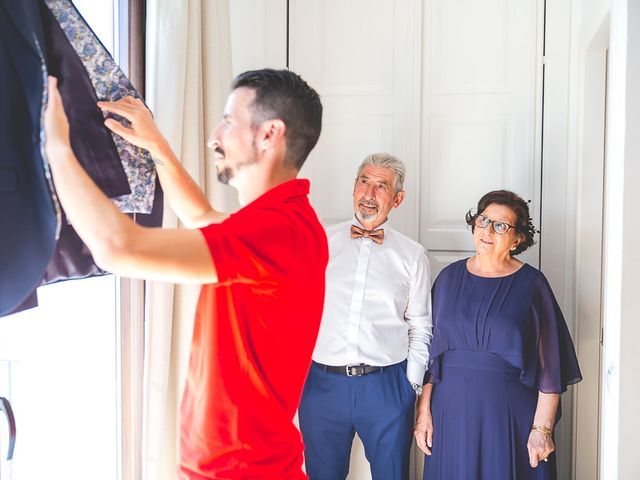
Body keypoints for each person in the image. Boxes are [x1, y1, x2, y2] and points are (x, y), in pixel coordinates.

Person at [43, 68, 328, 479]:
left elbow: (119, 248)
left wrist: (55, 147)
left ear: (269, 134)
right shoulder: (278, 223)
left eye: (229, 121)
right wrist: (156, 144)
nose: (215, 135)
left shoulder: (278, 232)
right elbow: (201, 216)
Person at [414, 190, 582, 480]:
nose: (488, 230)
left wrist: (542, 430)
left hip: (509, 416)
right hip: (450, 415)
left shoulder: (533, 284)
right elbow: (432, 357)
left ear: (517, 239)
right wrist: (423, 413)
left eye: (501, 225)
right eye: (484, 220)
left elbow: (551, 368)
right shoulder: (448, 278)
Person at [298, 153, 432, 480]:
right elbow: (298, 311)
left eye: (381, 186)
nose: (370, 194)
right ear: (354, 188)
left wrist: (409, 387)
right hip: (322, 385)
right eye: (364, 182)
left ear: (397, 199)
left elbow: (420, 325)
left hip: (386, 386)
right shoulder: (320, 242)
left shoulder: (412, 255)